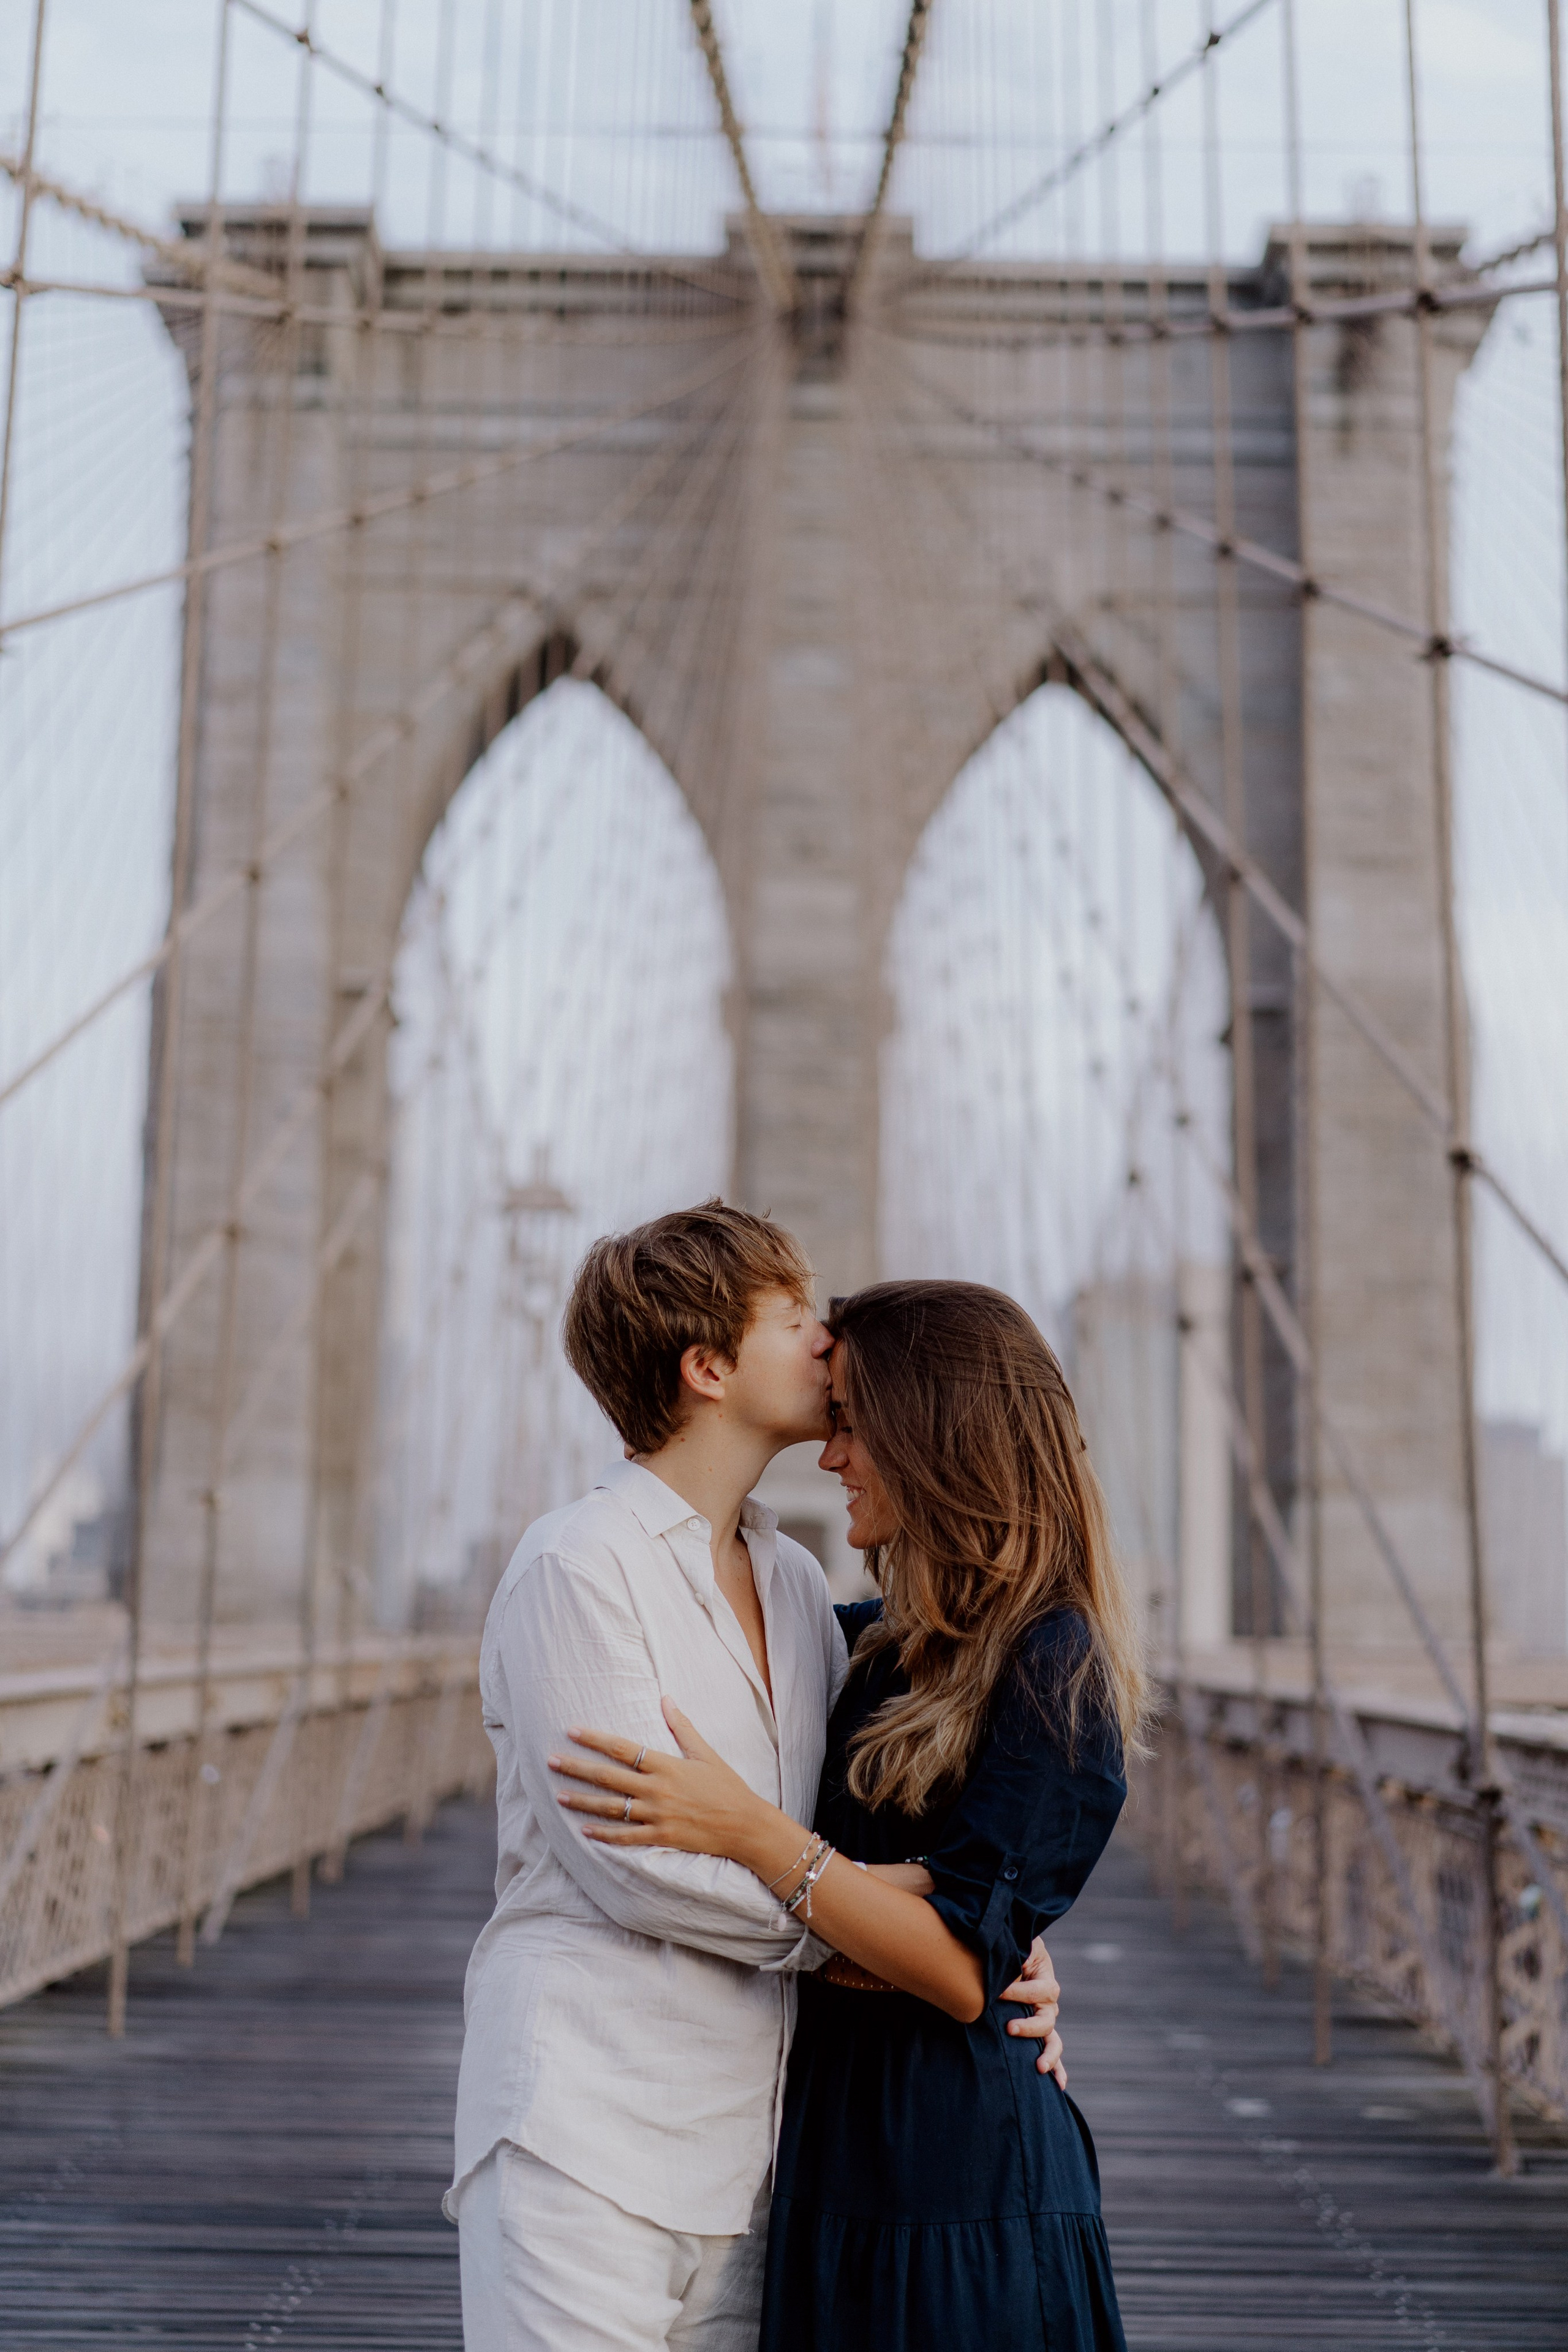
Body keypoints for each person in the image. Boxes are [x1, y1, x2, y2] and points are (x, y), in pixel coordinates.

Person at [448, 1208, 1065, 2351]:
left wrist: (989, 1935)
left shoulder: (796, 1587)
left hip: (755, 2157)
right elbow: (647, 1872)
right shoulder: (578, 1570)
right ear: (708, 1368)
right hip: (585, 2132)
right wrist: (909, 1950)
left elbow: (844, 1825)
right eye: (797, 1318)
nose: (830, 1340)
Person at [552, 1276, 1142, 2352]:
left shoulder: (1055, 1665)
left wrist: (749, 1833)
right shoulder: (865, 1645)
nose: (832, 1458)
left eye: (855, 1428)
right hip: (830, 2158)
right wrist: (945, 1912)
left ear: (938, 1440)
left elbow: (962, 1969)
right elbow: (966, 1909)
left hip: (962, 2182)